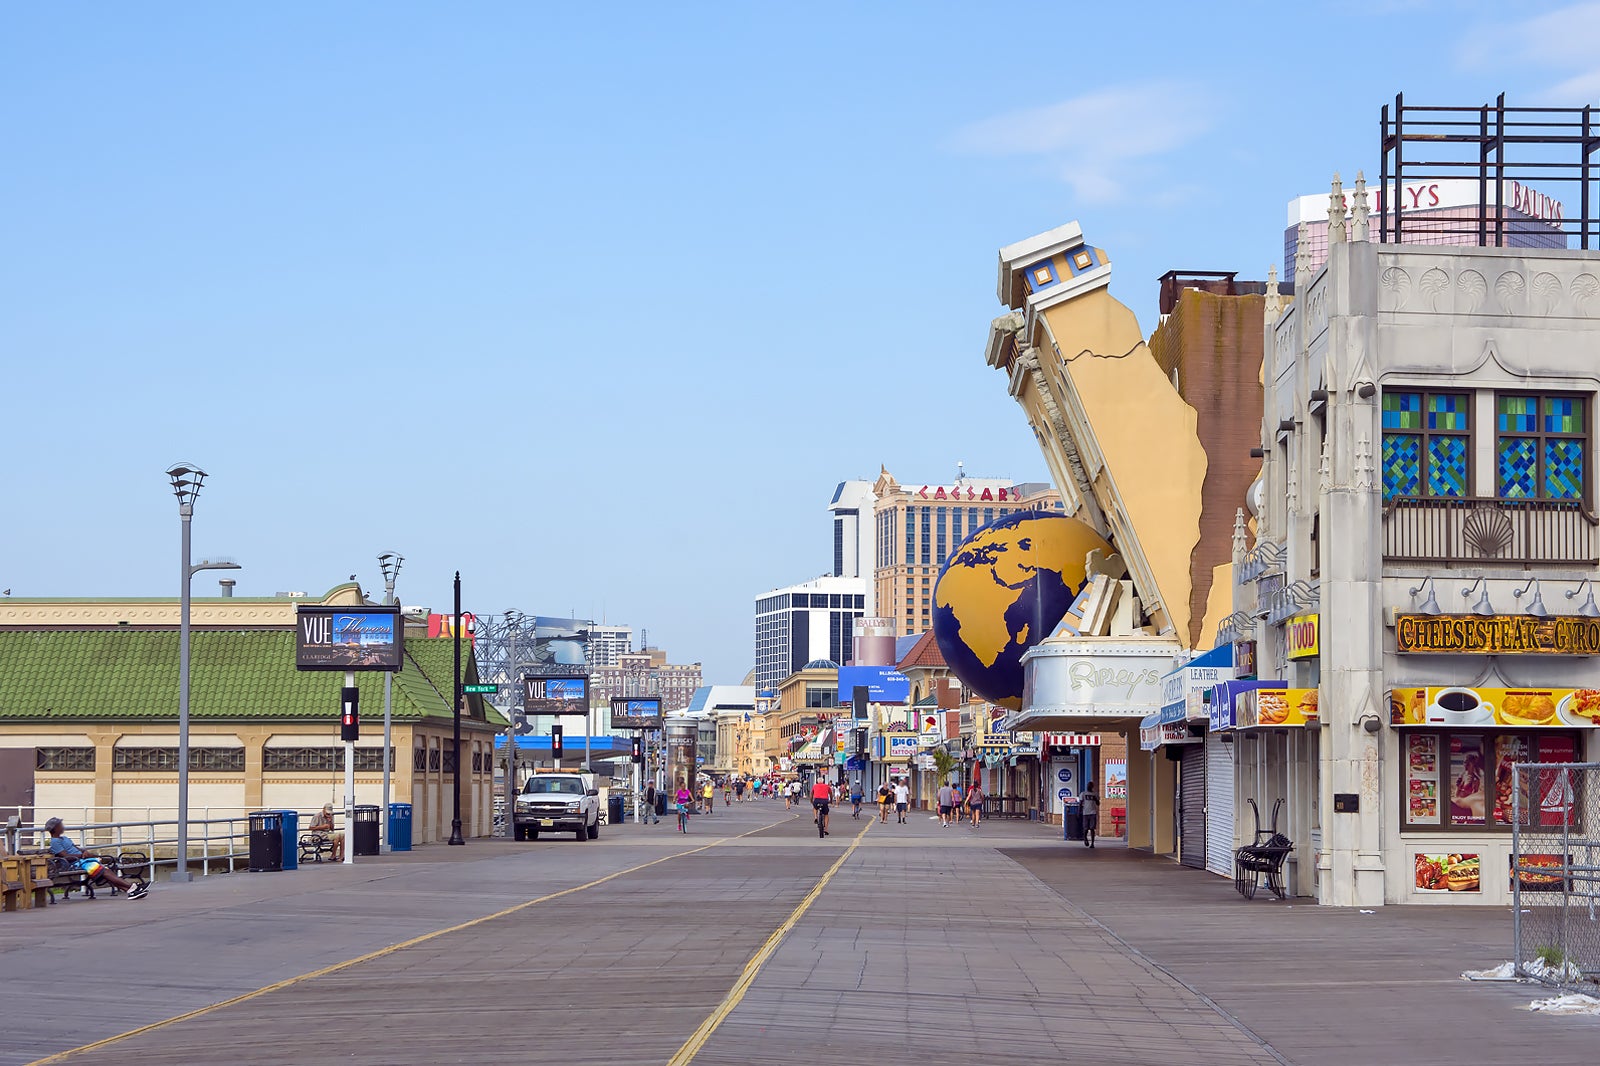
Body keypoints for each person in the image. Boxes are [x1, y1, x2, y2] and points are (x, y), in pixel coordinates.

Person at [45, 818, 148, 899]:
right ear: (55, 829)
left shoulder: (65, 838)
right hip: (74, 864)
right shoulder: (55, 842)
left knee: (105, 871)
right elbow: (65, 856)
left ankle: (130, 890)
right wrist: (82, 856)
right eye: (60, 825)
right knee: (103, 871)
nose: (63, 827)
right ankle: (131, 887)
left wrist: (84, 852)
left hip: (82, 861)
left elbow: (76, 849)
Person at [1080, 780, 1101, 848]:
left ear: (1092, 787)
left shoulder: (1095, 794)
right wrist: (1079, 811)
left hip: (1093, 812)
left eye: (1090, 786)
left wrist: (1096, 799)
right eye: (1088, 786)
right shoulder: (1083, 794)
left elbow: (1098, 804)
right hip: (1085, 813)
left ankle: (1092, 843)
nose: (1089, 787)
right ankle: (1085, 838)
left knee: (1092, 828)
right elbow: (1080, 803)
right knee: (1085, 828)